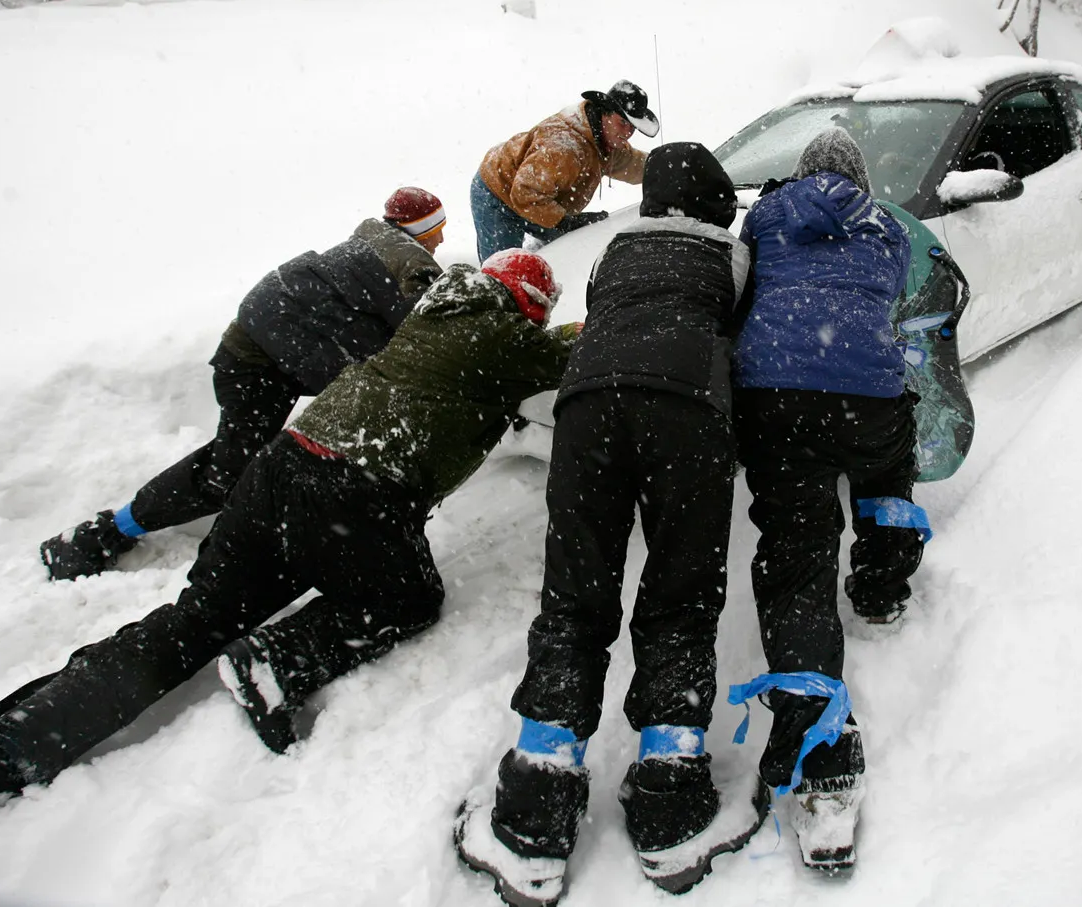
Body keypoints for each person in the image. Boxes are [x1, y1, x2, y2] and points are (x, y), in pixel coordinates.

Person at [0, 252, 578, 827]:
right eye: (538, 315)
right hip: (359, 491)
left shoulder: (429, 316)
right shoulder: (506, 336)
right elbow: (581, 347)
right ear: (529, 306)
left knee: (192, 621)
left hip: (279, 471)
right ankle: (277, 661)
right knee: (408, 599)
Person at [454, 143, 759, 907]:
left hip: (589, 403)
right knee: (682, 594)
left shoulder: (617, 245)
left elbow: (607, 309)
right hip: (689, 406)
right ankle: (670, 793)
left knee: (575, 594)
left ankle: (535, 803)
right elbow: (739, 339)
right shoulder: (735, 254)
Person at [38, 187, 450, 581]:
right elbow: (433, 328)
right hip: (256, 362)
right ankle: (105, 533)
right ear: (417, 230)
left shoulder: (372, 250)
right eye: (436, 229)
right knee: (227, 471)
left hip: (273, 354)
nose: (443, 238)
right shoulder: (408, 267)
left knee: (252, 460)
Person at [725, 128, 927, 873]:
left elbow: (748, 287)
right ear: (862, 177)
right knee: (885, 477)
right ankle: (881, 586)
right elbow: (893, 295)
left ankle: (825, 755)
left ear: (800, 173)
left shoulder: (767, 216)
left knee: (796, 554)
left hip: (776, 400)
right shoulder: (887, 227)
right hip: (868, 392)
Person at [471, 80, 659, 262]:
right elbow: (525, 193)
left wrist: (665, 167)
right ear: (605, 113)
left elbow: (634, 164)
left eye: (632, 127)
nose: (627, 133)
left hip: (541, 197)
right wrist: (565, 222)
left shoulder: (607, 143)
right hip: (498, 193)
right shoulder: (563, 147)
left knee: (567, 247)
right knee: (503, 271)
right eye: (622, 123)